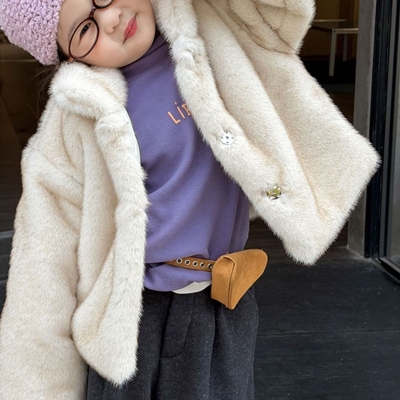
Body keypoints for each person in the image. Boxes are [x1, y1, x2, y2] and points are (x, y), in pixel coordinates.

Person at [0, 0, 379, 399]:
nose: (110, 19)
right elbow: (43, 267)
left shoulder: (222, 25)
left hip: (225, 301)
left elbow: (286, 9)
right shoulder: (73, 124)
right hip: (130, 322)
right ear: (67, 57)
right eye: (84, 29)